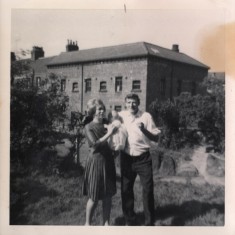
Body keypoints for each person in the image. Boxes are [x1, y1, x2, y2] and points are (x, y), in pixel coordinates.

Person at [118, 93, 161, 226]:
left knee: (148, 190)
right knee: (126, 189)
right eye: (129, 102)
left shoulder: (146, 116)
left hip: (143, 158)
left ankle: (149, 222)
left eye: (134, 102)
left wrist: (144, 130)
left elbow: (156, 138)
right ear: (125, 104)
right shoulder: (121, 116)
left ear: (139, 103)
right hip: (126, 157)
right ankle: (129, 220)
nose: (131, 105)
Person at [82, 99, 117, 226]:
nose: (102, 111)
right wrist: (109, 134)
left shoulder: (107, 124)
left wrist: (116, 147)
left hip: (108, 161)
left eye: (103, 109)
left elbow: (114, 139)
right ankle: (87, 224)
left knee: (108, 196)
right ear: (92, 112)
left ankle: (106, 223)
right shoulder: (88, 127)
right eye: (99, 109)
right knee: (94, 196)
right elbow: (95, 145)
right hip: (96, 162)